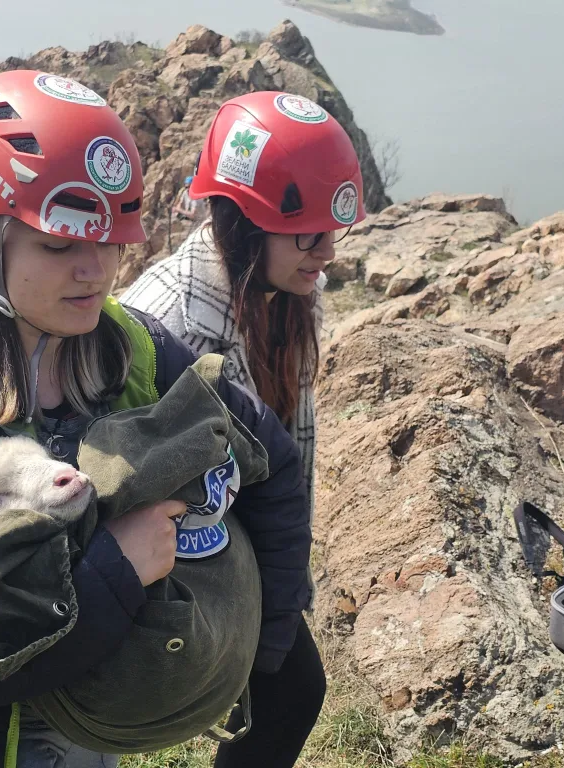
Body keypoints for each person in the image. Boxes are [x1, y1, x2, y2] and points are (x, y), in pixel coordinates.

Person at [0, 70, 316, 768]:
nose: (94, 272)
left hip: (92, 713)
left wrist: (264, 649)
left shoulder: (130, 347)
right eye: (59, 246)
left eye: (110, 241)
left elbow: (273, 460)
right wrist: (115, 572)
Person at [121, 90, 367, 763]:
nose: (328, 252)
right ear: (245, 221)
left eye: (332, 228)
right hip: (178, 558)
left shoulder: (281, 292)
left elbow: (291, 452)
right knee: (290, 693)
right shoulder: (168, 324)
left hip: (242, 543)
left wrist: (284, 590)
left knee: (287, 693)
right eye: (306, 231)